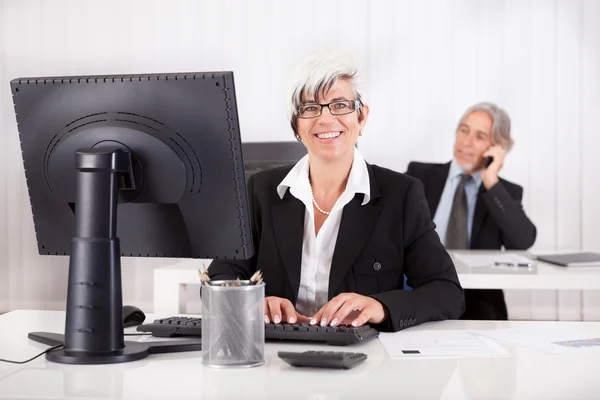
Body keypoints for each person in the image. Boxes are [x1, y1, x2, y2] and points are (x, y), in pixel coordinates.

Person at [208, 53, 465, 331]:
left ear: (361, 116)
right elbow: (220, 277)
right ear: (296, 124)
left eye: (340, 105)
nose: (326, 119)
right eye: (309, 108)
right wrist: (249, 303)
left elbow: (446, 291)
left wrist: (380, 307)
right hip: (274, 356)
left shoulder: (401, 195)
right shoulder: (261, 190)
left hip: (365, 360)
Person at [406, 102, 537, 320]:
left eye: (480, 136)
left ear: (497, 147)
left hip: (476, 301)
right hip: (416, 291)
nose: (466, 142)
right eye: (464, 130)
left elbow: (522, 242)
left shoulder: (503, 193)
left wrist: (491, 181)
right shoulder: (418, 176)